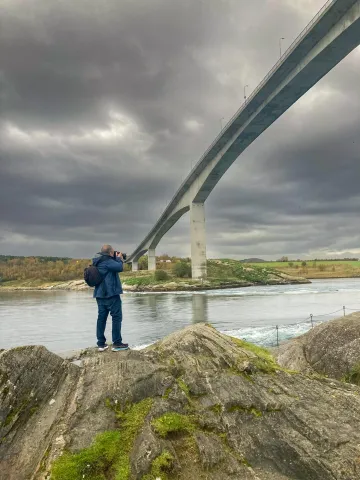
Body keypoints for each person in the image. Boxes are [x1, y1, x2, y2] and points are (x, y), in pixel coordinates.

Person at [92, 244, 129, 352]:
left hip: (99, 295)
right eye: (113, 252)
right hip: (111, 294)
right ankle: (117, 343)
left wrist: (115, 258)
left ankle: (101, 344)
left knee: (101, 319)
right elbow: (120, 267)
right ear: (110, 252)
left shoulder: (97, 261)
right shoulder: (107, 262)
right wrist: (119, 258)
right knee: (116, 318)